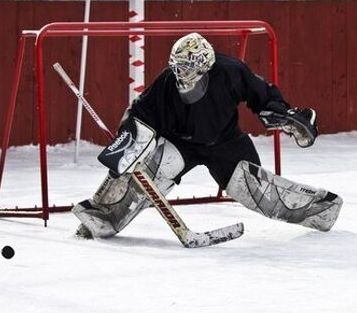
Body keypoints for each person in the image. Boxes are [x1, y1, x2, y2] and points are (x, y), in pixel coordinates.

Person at [73, 32, 319, 238]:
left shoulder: (230, 70)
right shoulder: (167, 81)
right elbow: (140, 112)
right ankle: (101, 216)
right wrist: (127, 139)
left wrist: (282, 113)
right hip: (180, 143)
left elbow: (263, 94)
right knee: (151, 172)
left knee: (252, 188)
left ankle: (318, 207)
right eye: (178, 67)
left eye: (187, 68)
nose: (181, 74)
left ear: (205, 65)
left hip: (225, 141)